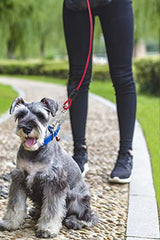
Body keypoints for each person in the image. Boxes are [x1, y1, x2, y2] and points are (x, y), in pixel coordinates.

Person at [63, 0, 136, 183]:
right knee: (77, 77)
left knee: (122, 76)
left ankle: (125, 154)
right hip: (77, 5)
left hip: (116, 4)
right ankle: (79, 153)